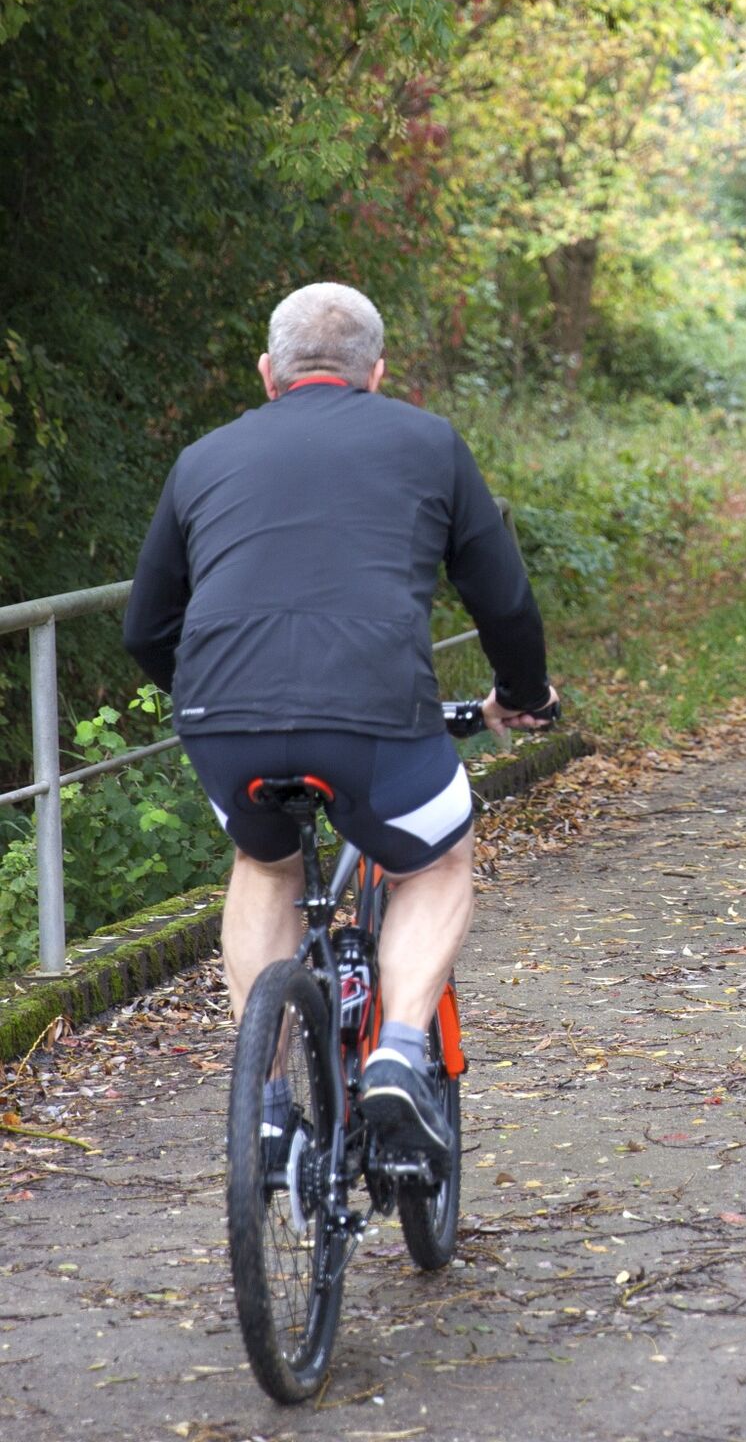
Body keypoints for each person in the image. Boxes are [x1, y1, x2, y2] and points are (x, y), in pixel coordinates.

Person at [123, 282, 558, 1162]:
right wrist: (523, 692)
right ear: (377, 373)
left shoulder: (204, 457)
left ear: (268, 373)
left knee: (265, 862)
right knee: (436, 863)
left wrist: (219, 702)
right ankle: (397, 1050)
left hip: (222, 714)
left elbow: (145, 627)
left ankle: (266, 1100)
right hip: (372, 712)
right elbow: (503, 600)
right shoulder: (427, 442)